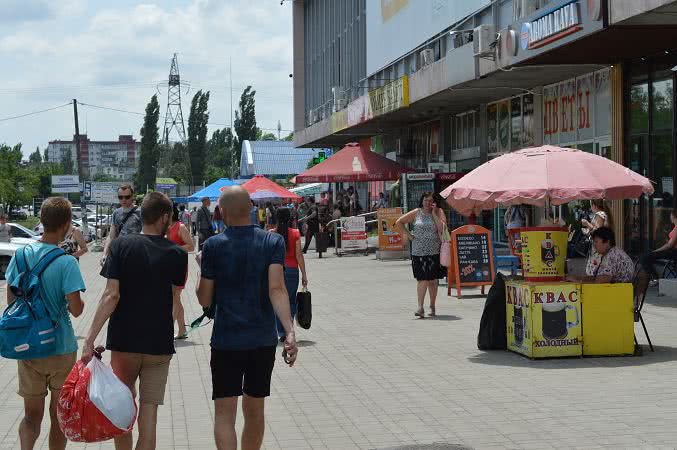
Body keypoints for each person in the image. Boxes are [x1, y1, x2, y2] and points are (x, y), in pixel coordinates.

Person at [82, 192, 188, 450]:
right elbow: (175, 300)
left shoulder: (121, 246)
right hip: (158, 346)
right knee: (149, 414)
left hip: (124, 342)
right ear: (164, 217)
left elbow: (111, 295)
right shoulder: (177, 254)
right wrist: (170, 329)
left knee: (122, 406)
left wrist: (90, 338)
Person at [196, 186, 298, 450]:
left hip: (226, 341)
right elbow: (277, 288)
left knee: (224, 414)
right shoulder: (272, 242)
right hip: (262, 340)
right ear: (252, 209)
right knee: (255, 410)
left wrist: (202, 269)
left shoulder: (213, 246)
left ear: (223, 212)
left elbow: (204, 299)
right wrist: (289, 331)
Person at [6, 197, 85, 450]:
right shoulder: (66, 262)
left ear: (41, 221)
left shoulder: (20, 256)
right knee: (58, 416)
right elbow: (76, 310)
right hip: (60, 347)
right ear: (67, 224)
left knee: (31, 416)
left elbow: (11, 300)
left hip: (28, 347)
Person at [396, 192, 444, 318]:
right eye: (425, 200)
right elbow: (399, 222)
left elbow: (442, 229)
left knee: (433, 281)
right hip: (419, 252)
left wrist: (434, 214)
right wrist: (409, 235)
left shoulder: (439, 212)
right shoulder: (416, 212)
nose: (428, 203)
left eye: (430, 201)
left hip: (434, 251)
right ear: (422, 201)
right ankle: (420, 307)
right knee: (422, 279)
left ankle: (432, 305)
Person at [273, 207, 308, 341]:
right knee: (291, 301)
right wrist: (304, 274)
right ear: (290, 218)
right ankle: (289, 329)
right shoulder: (295, 233)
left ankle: (281, 332)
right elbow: (299, 255)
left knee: (277, 301)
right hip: (292, 271)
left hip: (276, 271)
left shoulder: (271, 233)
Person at [567, 227, 633, 283]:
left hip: (618, 293)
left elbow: (601, 280)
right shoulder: (614, 252)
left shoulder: (611, 256)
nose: (594, 245)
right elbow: (597, 278)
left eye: (596, 241)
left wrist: (578, 280)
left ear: (607, 241)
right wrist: (579, 278)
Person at [167, 205, 195, 340]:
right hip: (166, 267)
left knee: (175, 298)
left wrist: (173, 248)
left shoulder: (180, 227)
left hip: (179, 267)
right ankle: (182, 330)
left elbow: (191, 246)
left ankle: (167, 330)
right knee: (175, 299)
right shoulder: (163, 227)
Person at [101, 184, 142, 266]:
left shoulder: (141, 212)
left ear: (132, 196)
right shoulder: (116, 213)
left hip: (136, 255)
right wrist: (105, 254)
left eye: (127, 197)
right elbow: (111, 236)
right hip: (119, 254)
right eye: (120, 197)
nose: (124, 200)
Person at [640, 207, 677, 280]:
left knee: (644, 257)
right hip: (671, 251)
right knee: (645, 255)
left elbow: (669, 245)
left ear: (673, 216)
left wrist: (657, 250)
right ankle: (654, 277)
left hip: (673, 253)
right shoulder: (675, 227)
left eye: (670, 215)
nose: (670, 217)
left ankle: (654, 278)